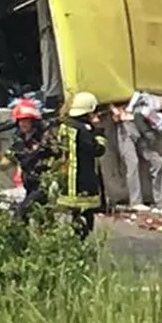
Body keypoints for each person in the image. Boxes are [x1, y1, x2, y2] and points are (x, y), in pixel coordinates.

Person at [0, 98, 55, 222]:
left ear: (33, 121)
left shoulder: (46, 139)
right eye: (20, 121)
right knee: (41, 220)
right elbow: (9, 158)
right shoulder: (20, 140)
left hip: (44, 185)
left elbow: (58, 156)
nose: (22, 124)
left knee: (20, 215)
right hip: (29, 186)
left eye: (26, 120)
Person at [51, 91, 107, 240]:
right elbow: (98, 150)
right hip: (82, 178)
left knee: (74, 213)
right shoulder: (84, 131)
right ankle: (80, 240)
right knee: (85, 215)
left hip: (67, 177)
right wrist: (99, 132)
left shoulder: (65, 126)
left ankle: (74, 238)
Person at [112, 90, 162, 212]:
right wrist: (147, 132)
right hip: (129, 129)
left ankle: (161, 201)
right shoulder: (150, 101)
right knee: (133, 163)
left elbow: (161, 128)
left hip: (142, 137)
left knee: (158, 162)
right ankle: (136, 202)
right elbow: (138, 116)